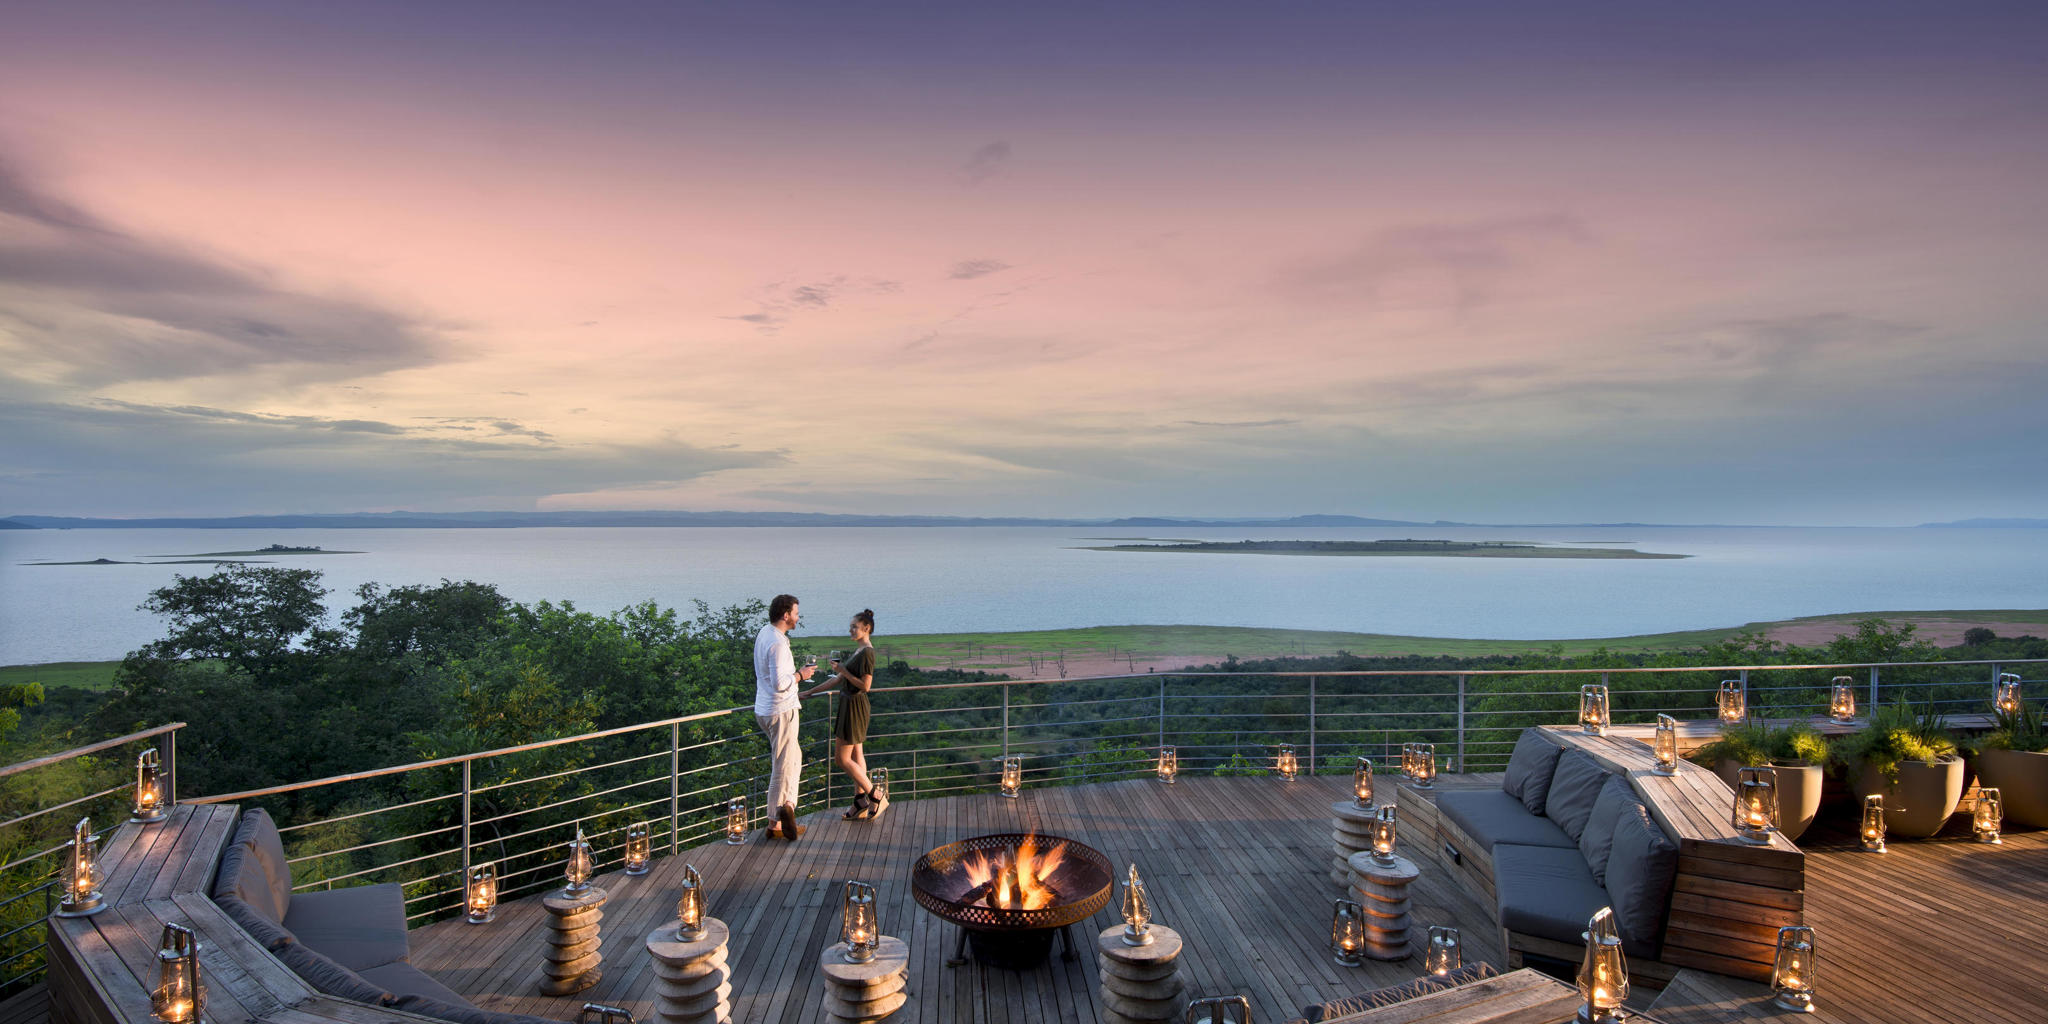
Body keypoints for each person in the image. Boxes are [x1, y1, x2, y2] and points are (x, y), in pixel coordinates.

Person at [802, 609, 882, 820]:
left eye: (854, 626)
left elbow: (865, 686)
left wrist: (844, 671)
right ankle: (859, 801)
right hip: (849, 705)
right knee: (856, 755)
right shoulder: (858, 651)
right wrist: (809, 692)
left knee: (841, 759)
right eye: (851, 626)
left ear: (867, 629)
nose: (850, 630)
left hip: (855, 706)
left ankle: (875, 794)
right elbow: (837, 680)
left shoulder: (867, 653)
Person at [753, 594, 815, 841]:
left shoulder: (765, 633)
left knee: (793, 758)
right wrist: (801, 674)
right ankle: (775, 822)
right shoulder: (777, 643)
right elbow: (780, 683)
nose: (798, 617)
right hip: (780, 710)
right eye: (796, 613)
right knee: (782, 765)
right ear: (786, 614)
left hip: (767, 708)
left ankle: (787, 805)